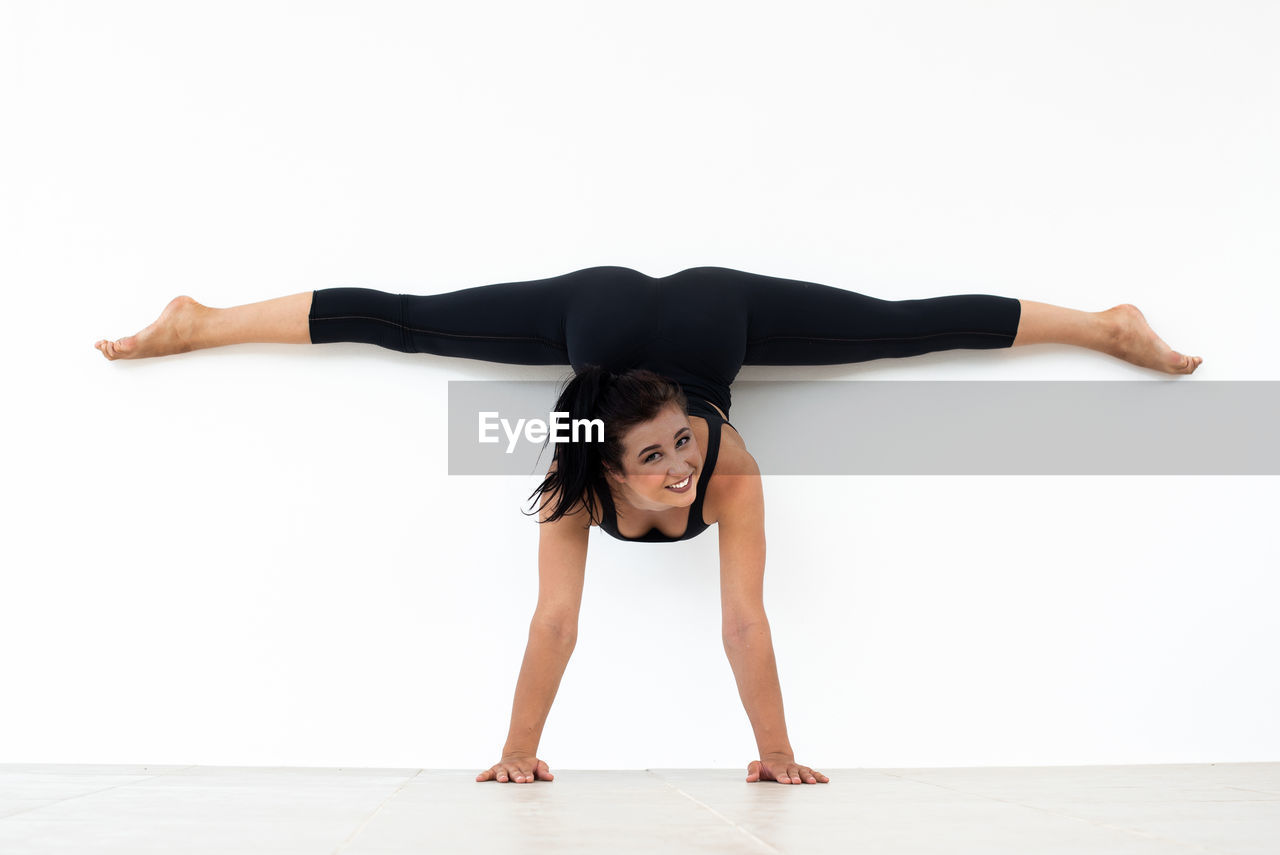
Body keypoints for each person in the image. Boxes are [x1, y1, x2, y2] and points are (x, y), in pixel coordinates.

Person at [93, 265, 1202, 786]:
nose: (679, 470)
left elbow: (742, 624)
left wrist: (772, 753)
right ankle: (199, 319)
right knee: (415, 323)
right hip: (598, 318)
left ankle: (1104, 323)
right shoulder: (572, 480)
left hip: (717, 308)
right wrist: (518, 752)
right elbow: (553, 622)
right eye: (657, 460)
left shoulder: (729, 467)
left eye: (682, 446)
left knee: (900, 329)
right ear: (601, 465)